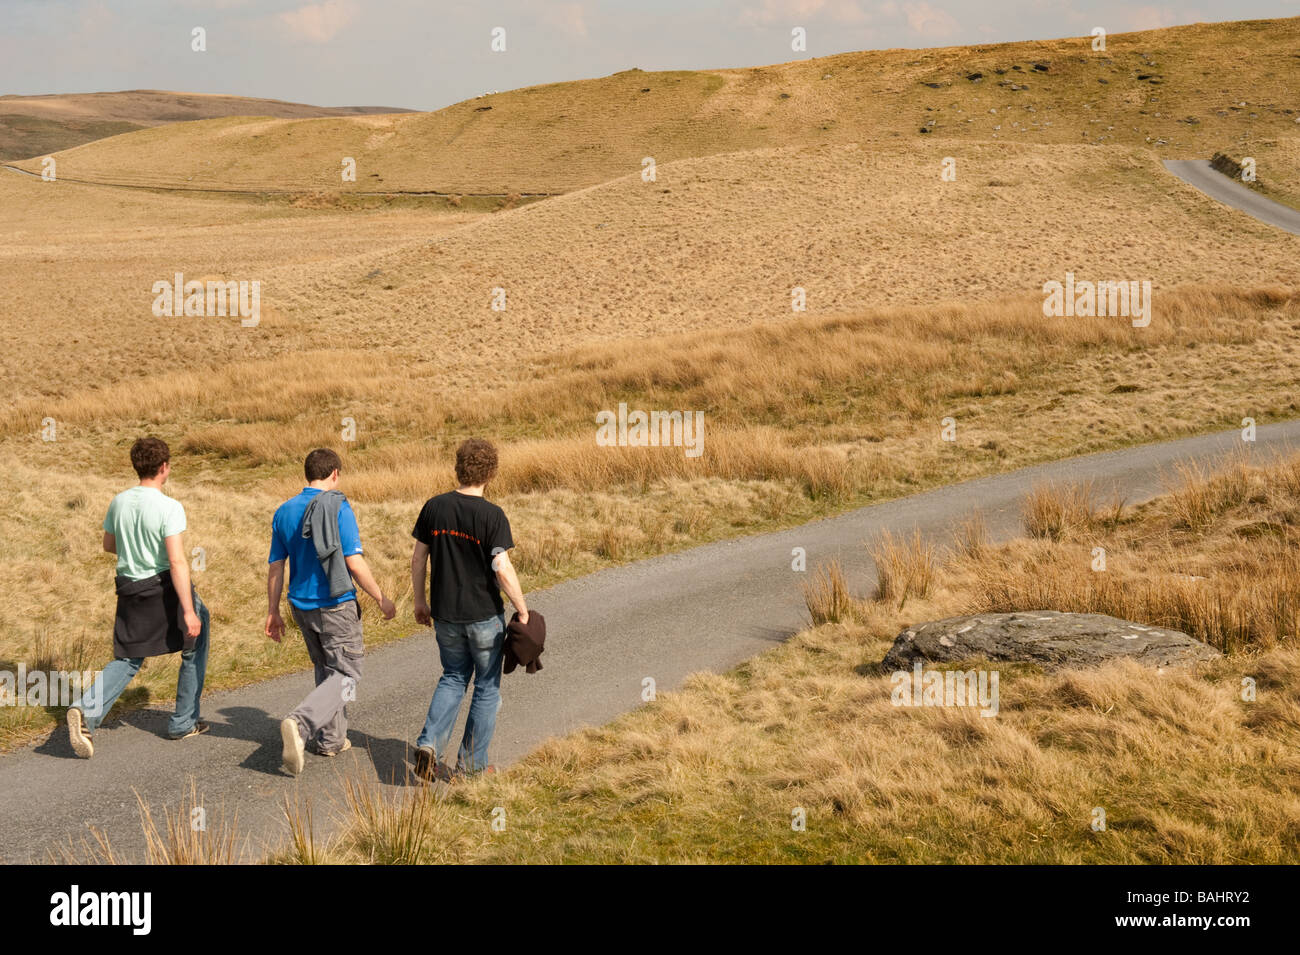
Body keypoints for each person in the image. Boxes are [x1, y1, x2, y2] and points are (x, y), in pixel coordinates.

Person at [67, 437, 210, 758]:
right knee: (195, 638)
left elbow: (108, 545)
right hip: (162, 587)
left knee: (129, 656)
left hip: (129, 586)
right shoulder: (169, 506)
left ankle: (85, 709)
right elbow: (176, 561)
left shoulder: (118, 501)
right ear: (164, 467)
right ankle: (183, 721)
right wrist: (188, 610)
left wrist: (133, 550)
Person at [265, 448, 395, 775]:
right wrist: (380, 597)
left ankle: (332, 740)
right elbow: (353, 560)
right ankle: (301, 722)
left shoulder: (283, 511)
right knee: (348, 673)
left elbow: (276, 568)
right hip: (334, 604)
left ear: (308, 473)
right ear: (334, 473)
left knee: (328, 669)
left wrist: (273, 611)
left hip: (299, 606)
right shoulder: (337, 506)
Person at [410, 438, 528, 781]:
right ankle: (470, 767)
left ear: (458, 468)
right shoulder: (492, 515)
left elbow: (419, 558)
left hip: (445, 615)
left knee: (453, 677)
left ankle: (430, 744)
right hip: (484, 618)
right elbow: (502, 567)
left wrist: (420, 601)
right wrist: (522, 609)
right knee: (487, 688)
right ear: (491, 473)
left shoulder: (435, 507)